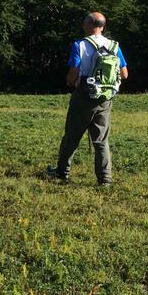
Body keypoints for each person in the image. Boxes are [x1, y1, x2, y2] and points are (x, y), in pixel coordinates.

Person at [46, 11, 129, 185]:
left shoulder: (80, 45)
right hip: (105, 98)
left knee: (72, 136)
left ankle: (62, 173)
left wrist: (70, 81)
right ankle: (105, 180)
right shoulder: (114, 45)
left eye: (84, 23)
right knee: (101, 139)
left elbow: (74, 72)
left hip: (84, 94)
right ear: (103, 26)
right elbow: (124, 73)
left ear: (89, 25)